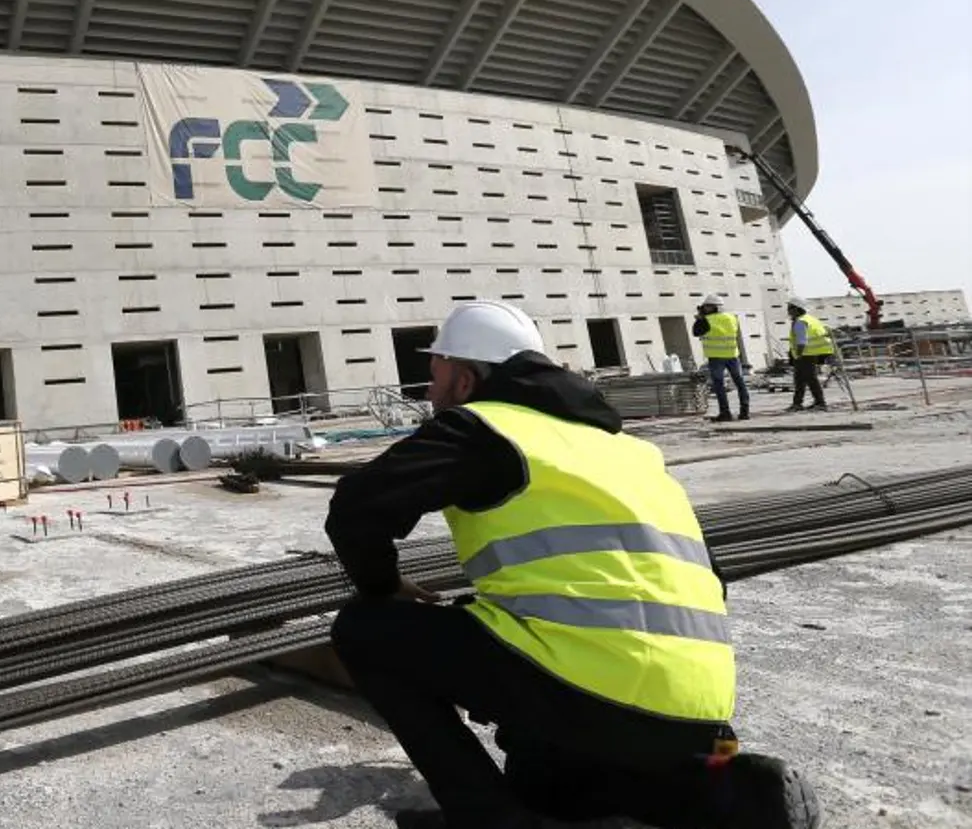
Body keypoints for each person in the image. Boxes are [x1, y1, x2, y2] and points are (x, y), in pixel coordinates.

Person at [325, 301, 819, 829]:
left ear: (466, 380)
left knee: (365, 628)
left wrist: (383, 585)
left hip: (586, 691)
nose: (430, 392)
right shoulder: (628, 451)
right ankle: (732, 793)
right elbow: (709, 580)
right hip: (699, 707)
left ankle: (490, 820)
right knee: (546, 784)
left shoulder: (482, 428)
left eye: (436, 373)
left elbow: (357, 508)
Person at [693, 296, 750, 422]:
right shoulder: (731, 317)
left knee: (719, 385)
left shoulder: (708, 319)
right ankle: (745, 412)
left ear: (715, 307)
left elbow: (696, 332)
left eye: (707, 306)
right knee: (740, 383)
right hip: (732, 354)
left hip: (716, 356)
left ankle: (725, 413)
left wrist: (699, 319)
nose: (705, 309)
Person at [785, 298, 833, 412]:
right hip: (813, 353)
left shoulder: (801, 322)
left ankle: (820, 403)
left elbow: (801, 341)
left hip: (805, 354)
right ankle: (798, 403)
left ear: (796, 309)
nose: (788, 311)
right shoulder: (810, 319)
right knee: (800, 380)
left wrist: (798, 355)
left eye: (790, 308)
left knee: (811, 379)